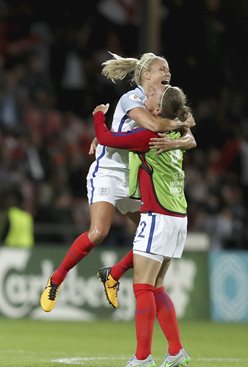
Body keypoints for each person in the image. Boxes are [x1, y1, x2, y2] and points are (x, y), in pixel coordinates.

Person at [40, 51, 194, 312]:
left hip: (132, 175)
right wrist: (180, 122)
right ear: (146, 75)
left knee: (149, 237)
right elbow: (153, 125)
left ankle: (112, 276)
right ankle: (56, 280)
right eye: (162, 69)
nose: (167, 73)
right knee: (98, 233)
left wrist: (175, 138)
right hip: (109, 170)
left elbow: (190, 134)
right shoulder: (132, 98)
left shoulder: (164, 103)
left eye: (168, 69)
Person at [92, 84, 196, 367]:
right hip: (179, 215)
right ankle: (175, 351)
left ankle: (142, 357)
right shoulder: (177, 131)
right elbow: (189, 134)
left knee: (142, 288)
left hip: (157, 214)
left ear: (158, 109)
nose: (146, 95)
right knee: (157, 286)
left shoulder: (149, 135)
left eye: (151, 95)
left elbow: (106, 138)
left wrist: (98, 116)